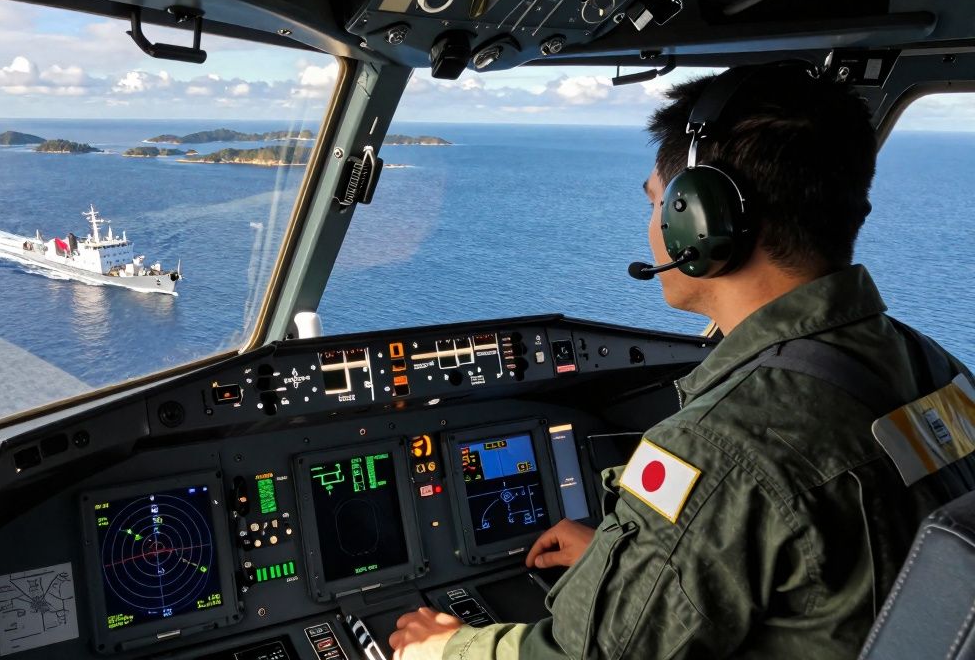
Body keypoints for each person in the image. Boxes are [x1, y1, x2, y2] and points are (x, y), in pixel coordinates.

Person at [388, 66, 969, 659]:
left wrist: (445, 646)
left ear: (702, 221)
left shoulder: (724, 444)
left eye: (657, 203)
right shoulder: (932, 365)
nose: (651, 227)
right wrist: (633, 564)